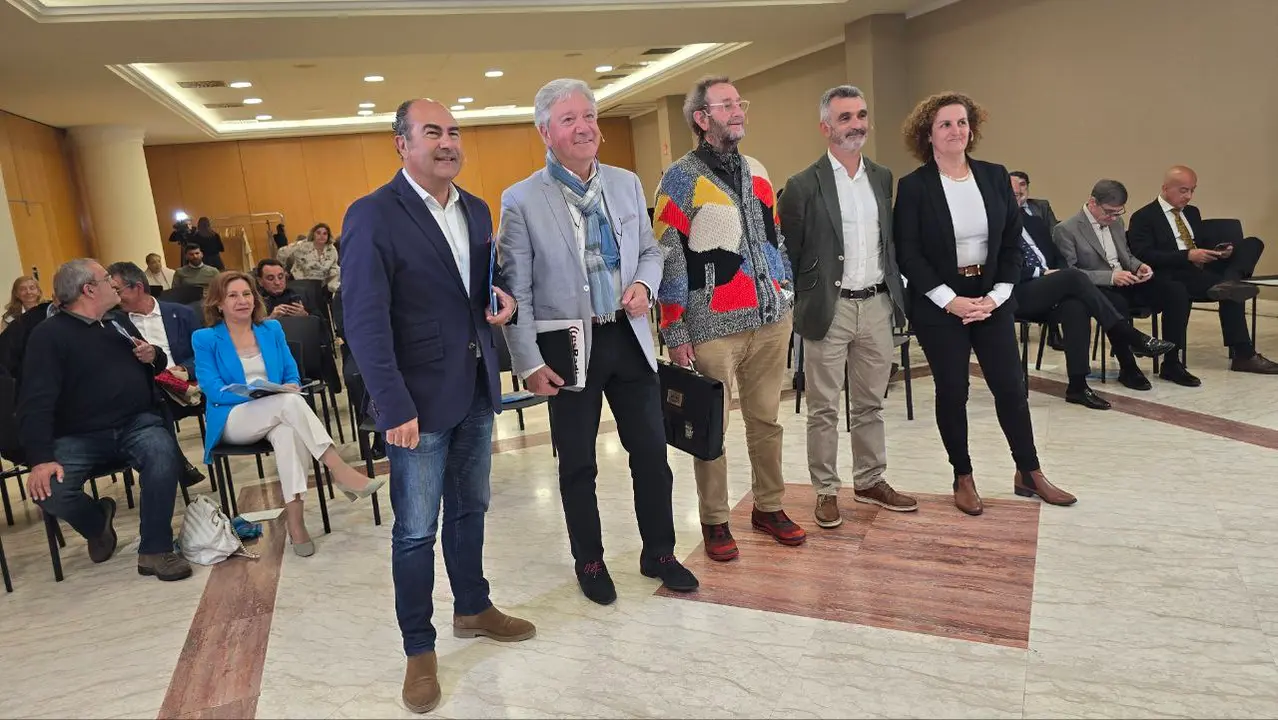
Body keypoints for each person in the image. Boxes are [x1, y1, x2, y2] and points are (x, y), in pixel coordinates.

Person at [341, 98, 532, 714]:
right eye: (432, 133)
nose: (447, 142)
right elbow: (365, 321)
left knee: (470, 509)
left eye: (453, 132)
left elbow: (482, 287)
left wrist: (501, 300)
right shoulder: (373, 214)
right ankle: (418, 649)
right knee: (415, 530)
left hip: (476, 386)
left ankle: (473, 606)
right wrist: (391, 405)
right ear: (401, 144)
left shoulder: (476, 209)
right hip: (415, 402)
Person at [499, 79, 697, 604]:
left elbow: (651, 252)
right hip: (568, 348)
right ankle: (589, 559)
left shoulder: (626, 184)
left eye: (589, 116)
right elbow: (516, 290)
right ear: (545, 131)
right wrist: (527, 362)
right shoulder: (521, 200)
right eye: (569, 119)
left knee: (652, 454)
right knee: (578, 463)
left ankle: (659, 550)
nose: (585, 127)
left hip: (628, 339)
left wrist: (643, 285)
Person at [893, 92, 1075, 516]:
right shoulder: (915, 186)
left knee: (1011, 388)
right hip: (940, 303)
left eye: (962, 122)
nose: (956, 131)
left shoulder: (994, 177)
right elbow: (909, 253)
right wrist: (949, 300)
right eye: (945, 124)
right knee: (952, 390)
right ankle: (963, 475)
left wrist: (996, 296)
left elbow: (1012, 244)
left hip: (992, 297)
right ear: (928, 134)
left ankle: (1028, 472)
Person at [655, 75, 803, 560]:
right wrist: (674, 328)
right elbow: (668, 255)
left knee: (766, 421)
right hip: (712, 326)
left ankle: (769, 506)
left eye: (741, 102)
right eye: (726, 105)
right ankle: (715, 520)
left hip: (769, 318)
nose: (738, 111)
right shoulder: (678, 178)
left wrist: (784, 290)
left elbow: (772, 237)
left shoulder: (758, 169)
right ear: (702, 119)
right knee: (710, 428)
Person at [779, 85, 917, 528]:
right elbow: (792, 252)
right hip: (829, 309)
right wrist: (808, 299)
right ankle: (825, 490)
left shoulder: (881, 176)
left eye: (860, 115)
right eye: (845, 117)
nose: (856, 124)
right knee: (823, 406)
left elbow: (889, 242)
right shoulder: (803, 185)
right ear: (825, 128)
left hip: (876, 303)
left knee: (871, 403)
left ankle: (870, 479)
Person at [17, 259, 191, 581]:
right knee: (51, 492)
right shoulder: (48, 336)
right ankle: (97, 523)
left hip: (136, 424)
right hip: (78, 436)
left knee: (163, 454)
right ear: (88, 289)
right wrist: (40, 459)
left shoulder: (118, 322)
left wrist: (154, 355)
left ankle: (155, 549)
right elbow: (35, 402)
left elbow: (155, 365)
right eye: (106, 278)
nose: (113, 283)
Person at [192, 272, 384, 556]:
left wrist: (290, 385)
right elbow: (213, 389)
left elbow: (291, 372)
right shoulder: (206, 338)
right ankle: (339, 470)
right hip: (233, 417)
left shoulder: (271, 330)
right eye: (232, 295)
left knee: (288, 434)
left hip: (277, 413)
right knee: (288, 404)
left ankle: (296, 524)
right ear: (218, 303)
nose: (242, 300)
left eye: (246, 294)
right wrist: (258, 392)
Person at [1008, 179, 1175, 406]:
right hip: (1017, 290)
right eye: (1011, 195)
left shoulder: (1034, 222)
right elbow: (1000, 267)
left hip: (1052, 286)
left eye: (1020, 195)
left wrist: (1057, 271)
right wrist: (1042, 272)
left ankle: (1077, 386)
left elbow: (1056, 257)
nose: (1017, 200)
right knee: (1074, 276)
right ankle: (1131, 337)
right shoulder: (993, 227)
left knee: (1075, 306)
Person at [1126, 165, 1277, 374]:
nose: (1188, 196)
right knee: (1231, 291)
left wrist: (1221, 251)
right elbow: (1143, 255)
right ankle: (1244, 354)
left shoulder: (1192, 212)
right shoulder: (1144, 217)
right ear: (1165, 188)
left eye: (1192, 190)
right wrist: (1186, 256)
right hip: (1174, 272)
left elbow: (1199, 242)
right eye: (1183, 190)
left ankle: (1230, 280)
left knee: (1252, 243)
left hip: (1201, 268)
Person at [1053, 180, 1196, 389]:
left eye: (1118, 213)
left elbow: (1126, 255)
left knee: (1176, 291)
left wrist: (1140, 267)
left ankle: (1172, 362)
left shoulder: (1117, 223)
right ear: (1092, 202)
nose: (1113, 218)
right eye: (1109, 212)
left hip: (1128, 280)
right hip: (1098, 289)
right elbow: (1069, 273)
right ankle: (1128, 368)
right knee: (1117, 304)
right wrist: (1111, 277)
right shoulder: (1066, 229)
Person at [280, 222, 341, 293]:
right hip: (302, 282)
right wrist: (282, 270)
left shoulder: (331, 249)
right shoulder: (302, 245)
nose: (322, 236)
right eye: (318, 233)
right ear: (313, 234)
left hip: (322, 284)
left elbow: (334, 266)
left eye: (325, 233)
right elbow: (282, 252)